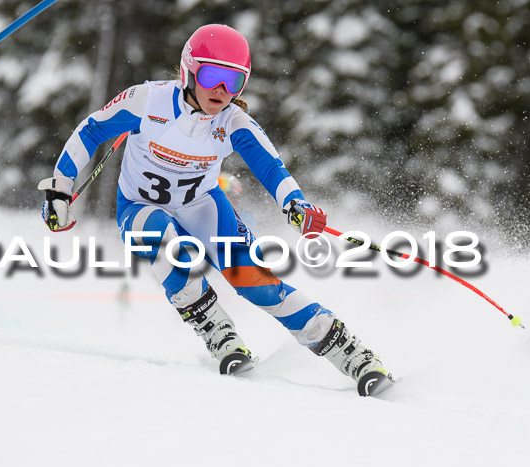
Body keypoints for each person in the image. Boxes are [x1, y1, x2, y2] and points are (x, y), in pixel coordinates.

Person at [39, 24, 393, 395]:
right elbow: (90, 130)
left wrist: (295, 203)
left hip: (203, 206)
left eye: (234, 81)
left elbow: (270, 166)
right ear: (189, 70)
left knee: (254, 283)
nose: (222, 91)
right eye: (212, 76)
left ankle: (349, 352)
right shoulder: (149, 102)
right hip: (140, 205)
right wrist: (60, 190)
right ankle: (216, 331)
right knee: (161, 236)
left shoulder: (233, 121)